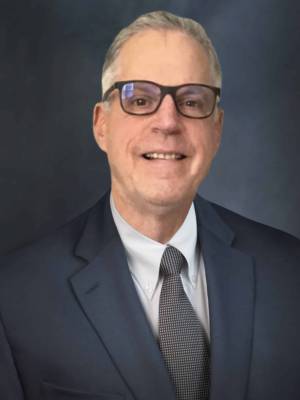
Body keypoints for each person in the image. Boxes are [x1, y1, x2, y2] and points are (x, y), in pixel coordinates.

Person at [0, 10, 299, 400]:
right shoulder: (16, 297)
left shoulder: (290, 274)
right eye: (140, 99)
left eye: (192, 101)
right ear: (101, 124)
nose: (168, 122)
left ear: (217, 129)